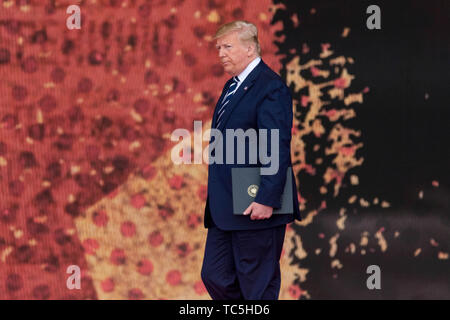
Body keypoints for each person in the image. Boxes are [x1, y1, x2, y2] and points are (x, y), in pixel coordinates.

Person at [201, 20, 302, 300]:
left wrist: (268, 198)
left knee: (256, 285)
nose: (221, 53)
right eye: (219, 47)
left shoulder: (269, 87)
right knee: (215, 275)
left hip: (256, 202)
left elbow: (276, 144)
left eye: (227, 46)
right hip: (227, 206)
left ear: (250, 48)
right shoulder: (232, 86)